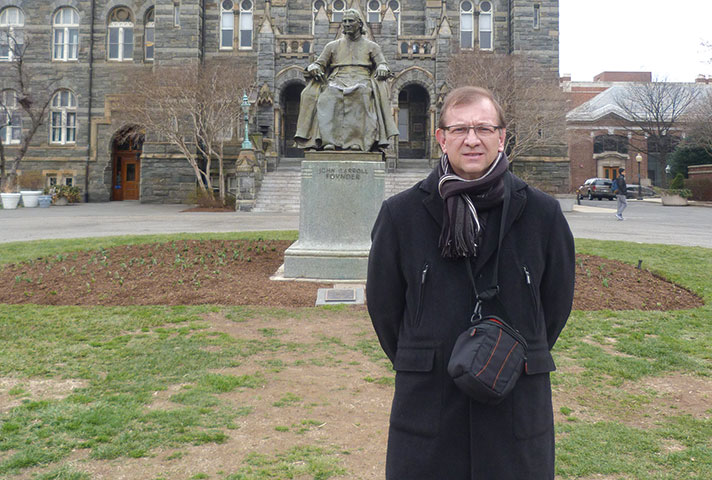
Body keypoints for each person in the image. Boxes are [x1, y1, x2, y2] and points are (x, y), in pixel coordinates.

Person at [366, 86, 575, 479]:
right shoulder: (401, 215)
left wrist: (509, 354)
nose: (472, 139)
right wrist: (427, 354)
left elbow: (555, 305)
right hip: (430, 400)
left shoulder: (543, 215)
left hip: (514, 400)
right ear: (441, 137)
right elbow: (385, 308)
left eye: (483, 128)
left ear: (502, 135)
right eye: (460, 129)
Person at [294, 9, 398, 151]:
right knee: (328, 95)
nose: (347, 24)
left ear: (359, 24)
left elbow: (382, 63)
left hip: (362, 78)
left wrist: (383, 68)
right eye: (344, 21)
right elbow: (319, 63)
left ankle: (357, 142)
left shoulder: (372, 46)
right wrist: (314, 67)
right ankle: (328, 141)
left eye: (350, 21)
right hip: (337, 78)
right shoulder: (332, 46)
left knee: (361, 93)